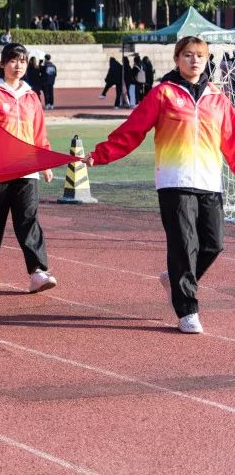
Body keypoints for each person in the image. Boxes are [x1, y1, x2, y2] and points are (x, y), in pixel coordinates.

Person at [88, 36, 235, 334]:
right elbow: (133, 130)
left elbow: (231, 141)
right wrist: (101, 154)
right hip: (173, 179)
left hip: (209, 181)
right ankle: (187, 310)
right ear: (177, 59)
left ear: (207, 61)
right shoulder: (163, 94)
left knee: (213, 244)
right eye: (188, 55)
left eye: (200, 56)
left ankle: (175, 278)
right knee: (183, 244)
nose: (195, 60)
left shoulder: (217, 99)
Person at [0, 43, 57, 293]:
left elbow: (39, 131)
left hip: (27, 169)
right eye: (13, 60)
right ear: (3, 63)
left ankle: (38, 271)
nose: (18, 65)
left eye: (22, 60)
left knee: (28, 220)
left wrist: (45, 161)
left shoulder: (31, 97)